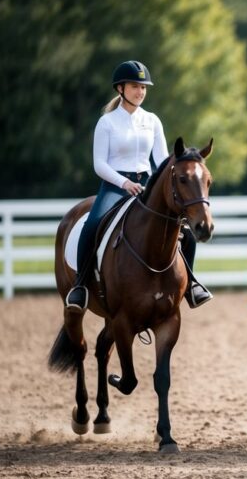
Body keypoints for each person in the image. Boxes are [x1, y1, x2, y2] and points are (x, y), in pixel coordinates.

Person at [64, 60, 212, 312]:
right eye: (135, 86)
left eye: (143, 87)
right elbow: (99, 164)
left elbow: (164, 161)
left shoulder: (152, 121)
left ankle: (191, 284)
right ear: (120, 89)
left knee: (185, 230)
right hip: (115, 185)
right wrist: (124, 182)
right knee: (93, 224)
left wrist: (159, 185)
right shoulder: (107, 123)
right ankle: (80, 285)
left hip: (148, 184)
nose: (140, 92)